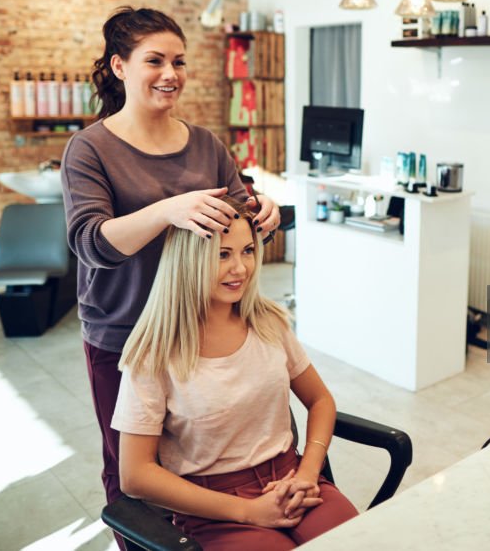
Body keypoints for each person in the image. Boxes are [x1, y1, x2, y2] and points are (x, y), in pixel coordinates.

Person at [60, 7, 281, 524]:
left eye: (179, 62)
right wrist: (165, 211)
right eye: (154, 60)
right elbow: (89, 242)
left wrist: (263, 211)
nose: (171, 74)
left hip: (204, 328)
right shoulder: (90, 149)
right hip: (126, 334)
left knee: (201, 459)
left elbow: (238, 218)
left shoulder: (205, 144)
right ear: (119, 66)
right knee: (133, 471)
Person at [113, 198, 358, 549]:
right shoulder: (154, 355)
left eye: (247, 251)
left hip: (291, 479)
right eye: (223, 255)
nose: (241, 268)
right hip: (214, 508)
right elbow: (135, 476)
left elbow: (320, 400)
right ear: (189, 261)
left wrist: (308, 473)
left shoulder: (268, 323)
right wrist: (248, 512)